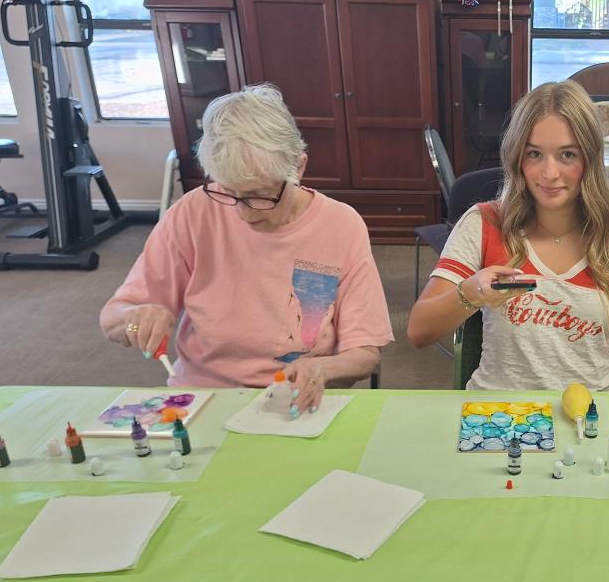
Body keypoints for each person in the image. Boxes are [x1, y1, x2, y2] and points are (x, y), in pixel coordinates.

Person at [101, 84, 393, 416]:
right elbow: (113, 316)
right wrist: (134, 319)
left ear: (298, 168)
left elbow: (365, 352)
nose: (243, 211)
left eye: (258, 195)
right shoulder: (193, 212)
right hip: (203, 397)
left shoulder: (341, 225)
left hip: (295, 399)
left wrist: (324, 369)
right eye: (229, 192)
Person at [407, 80, 609, 391]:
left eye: (567, 155)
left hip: (587, 420)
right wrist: (471, 292)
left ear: (590, 160)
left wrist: (603, 431)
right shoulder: (484, 224)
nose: (549, 173)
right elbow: (419, 331)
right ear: (517, 159)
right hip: (496, 416)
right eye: (534, 154)